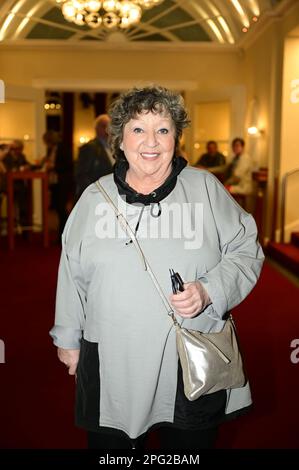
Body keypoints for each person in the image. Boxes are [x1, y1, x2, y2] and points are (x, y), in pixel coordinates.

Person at [50, 86, 264, 450]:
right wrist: (69, 338)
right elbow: (72, 271)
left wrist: (209, 288)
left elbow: (246, 248)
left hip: (188, 360)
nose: (151, 141)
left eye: (163, 129)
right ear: (119, 140)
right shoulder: (94, 197)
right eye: (137, 129)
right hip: (114, 360)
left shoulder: (205, 188)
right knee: (114, 453)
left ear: (176, 138)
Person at [41, 130, 73, 238]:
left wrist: (53, 167)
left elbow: (68, 165)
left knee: (61, 208)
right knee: (58, 208)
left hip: (63, 182)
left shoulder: (63, 148)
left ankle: (64, 233)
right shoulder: (52, 149)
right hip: (55, 182)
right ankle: (60, 232)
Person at [75, 114, 113, 199]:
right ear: (96, 129)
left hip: (111, 195)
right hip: (96, 196)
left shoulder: (115, 148)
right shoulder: (89, 148)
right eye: (104, 126)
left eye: (109, 127)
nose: (107, 130)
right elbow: (81, 175)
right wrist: (94, 193)